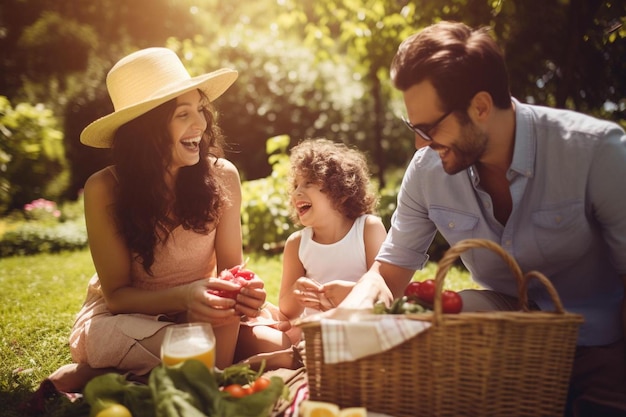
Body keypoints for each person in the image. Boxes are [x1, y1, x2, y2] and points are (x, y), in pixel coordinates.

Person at [339, 21, 626, 416]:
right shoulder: (428, 170)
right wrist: (347, 318)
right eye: (414, 127)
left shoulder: (595, 152)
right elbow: (387, 274)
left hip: (599, 343)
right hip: (499, 338)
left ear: (481, 107)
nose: (420, 143)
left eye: (429, 127)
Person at [48, 47, 273, 393]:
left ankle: (145, 376)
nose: (200, 124)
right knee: (193, 356)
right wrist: (186, 297)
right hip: (128, 318)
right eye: (183, 114)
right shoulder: (105, 189)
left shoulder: (223, 176)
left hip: (202, 310)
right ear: (146, 130)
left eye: (199, 109)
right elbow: (119, 296)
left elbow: (232, 270)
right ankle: (200, 374)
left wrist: (245, 292)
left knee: (270, 342)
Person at [277, 138, 388, 343]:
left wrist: (352, 293)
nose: (297, 192)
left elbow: (387, 294)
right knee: (267, 337)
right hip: (313, 337)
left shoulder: (368, 229)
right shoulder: (296, 244)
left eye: (308, 183)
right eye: (296, 185)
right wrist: (296, 292)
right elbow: (286, 310)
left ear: (341, 192)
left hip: (361, 330)